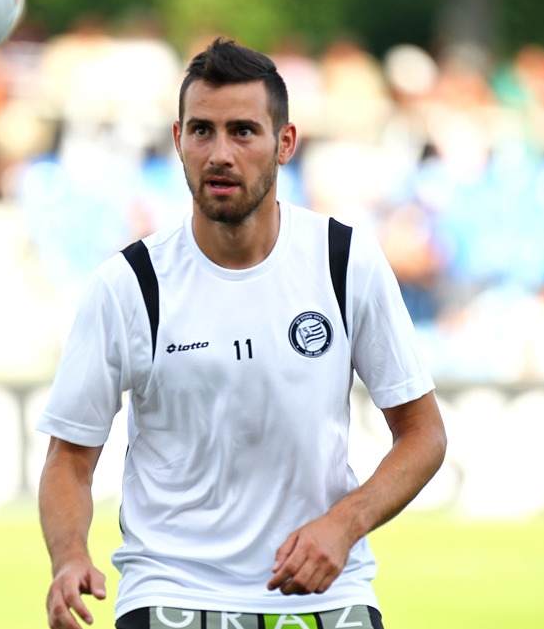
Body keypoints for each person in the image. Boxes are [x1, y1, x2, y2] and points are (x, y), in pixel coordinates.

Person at [36, 37, 447, 629]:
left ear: (285, 144)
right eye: (201, 131)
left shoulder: (343, 260)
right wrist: (69, 556)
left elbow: (423, 434)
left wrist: (345, 523)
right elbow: (70, 459)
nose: (220, 153)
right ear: (177, 141)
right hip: (171, 593)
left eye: (243, 132)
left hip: (324, 595)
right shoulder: (129, 284)